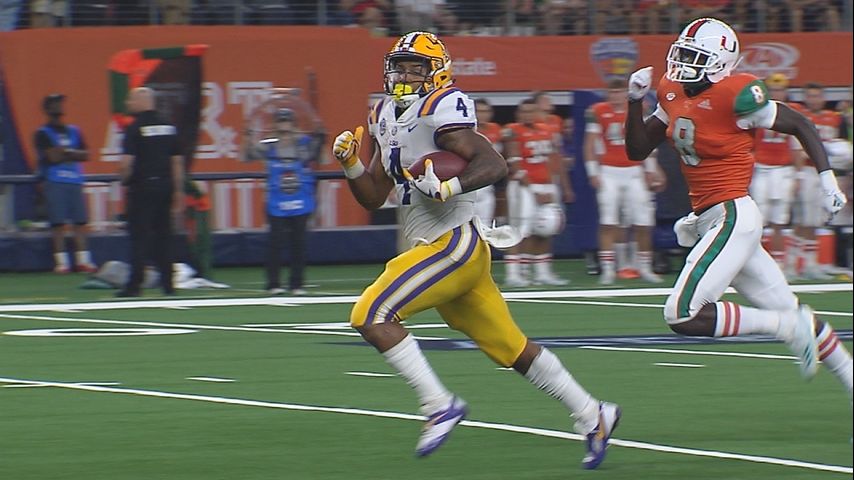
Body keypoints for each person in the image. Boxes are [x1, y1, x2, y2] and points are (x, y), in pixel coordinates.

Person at [332, 31, 620, 469]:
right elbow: (373, 196)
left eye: (415, 67)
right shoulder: (382, 113)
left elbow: (493, 164)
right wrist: (351, 164)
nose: (405, 75)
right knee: (513, 348)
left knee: (371, 314)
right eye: (399, 66)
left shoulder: (441, 106)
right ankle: (592, 413)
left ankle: (438, 405)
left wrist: (448, 186)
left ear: (437, 72)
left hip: (452, 243)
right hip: (438, 245)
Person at [625, 18, 852, 404]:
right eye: (683, 53)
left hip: (733, 214)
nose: (682, 63)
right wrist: (634, 101)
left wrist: (827, 179)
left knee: (682, 312)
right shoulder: (671, 89)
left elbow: (800, 123)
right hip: (713, 217)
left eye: (695, 56)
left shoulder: (738, 94)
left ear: (719, 62)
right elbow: (637, 149)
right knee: (791, 309)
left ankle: (784, 326)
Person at [584, 79, 664, 284]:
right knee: (608, 221)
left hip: (634, 171)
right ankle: (609, 269)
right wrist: (593, 172)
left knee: (643, 221)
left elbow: (647, 140)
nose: (616, 96)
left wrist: (651, 170)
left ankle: (644, 267)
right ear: (607, 94)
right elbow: (590, 144)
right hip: (609, 172)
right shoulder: (598, 111)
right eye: (613, 92)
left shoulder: (639, 109)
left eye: (620, 92)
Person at [242, 107, 323, 295]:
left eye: (287, 121)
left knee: (298, 243)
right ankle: (273, 283)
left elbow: (322, 157)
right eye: (281, 121)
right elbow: (246, 156)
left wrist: (321, 138)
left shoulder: (304, 143)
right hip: (276, 202)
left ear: (293, 123)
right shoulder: (269, 145)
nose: (284, 125)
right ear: (275, 123)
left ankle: (297, 284)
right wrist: (247, 137)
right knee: (275, 244)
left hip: (301, 200)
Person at [117, 87, 184, 297]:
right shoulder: (169, 126)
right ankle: (168, 284)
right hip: (165, 187)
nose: (128, 103)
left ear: (141, 101)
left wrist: (124, 179)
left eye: (131, 99)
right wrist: (178, 191)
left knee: (140, 237)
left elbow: (127, 163)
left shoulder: (134, 128)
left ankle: (135, 285)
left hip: (143, 188)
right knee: (165, 236)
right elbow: (177, 162)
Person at [504, 98, 571, 287]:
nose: (527, 115)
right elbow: (514, 164)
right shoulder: (512, 131)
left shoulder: (546, 130)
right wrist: (534, 190)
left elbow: (552, 161)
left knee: (545, 228)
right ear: (518, 114)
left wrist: (554, 185)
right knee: (520, 229)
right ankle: (514, 273)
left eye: (531, 111)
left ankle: (542, 272)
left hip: (545, 185)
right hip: (522, 186)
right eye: (524, 111)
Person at [34, 93, 97, 274]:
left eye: (60, 103)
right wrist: (72, 153)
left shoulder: (74, 130)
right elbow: (52, 157)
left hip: (75, 180)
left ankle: (83, 261)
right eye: (55, 103)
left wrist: (64, 152)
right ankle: (61, 263)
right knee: (58, 223)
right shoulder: (42, 133)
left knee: (80, 221)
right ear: (47, 108)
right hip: (55, 181)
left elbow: (86, 155)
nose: (60, 106)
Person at [788, 82, 846, 279]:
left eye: (817, 96)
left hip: (823, 173)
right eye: (811, 96)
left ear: (823, 98)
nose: (814, 99)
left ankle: (810, 263)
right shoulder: (802, 116)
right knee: (803, 219)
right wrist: (798, 174)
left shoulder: (832, 118)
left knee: (815, 220)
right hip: (807, 170)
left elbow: (837, 146)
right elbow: (796, 149)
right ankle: (792, 263)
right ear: (806, 98)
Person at [748, 73, 804, 275]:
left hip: (784, 170)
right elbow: (749, 145)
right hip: (762, 168)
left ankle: (779, 263)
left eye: (780, 90)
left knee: (780, 220)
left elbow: (797, 146)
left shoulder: (792, 111)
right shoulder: (757, 110)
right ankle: (756, 262)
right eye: (773, 89)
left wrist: (798, 175)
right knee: (759, 220)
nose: (777, 93)